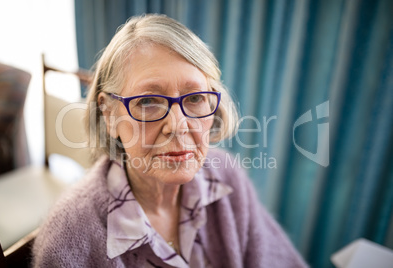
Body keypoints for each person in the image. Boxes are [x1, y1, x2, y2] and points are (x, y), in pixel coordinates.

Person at [32, 14, 307, 268]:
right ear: (109, 114)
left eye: (196, 98)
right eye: (148, 101)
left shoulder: (227, 175)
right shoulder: (69, 240)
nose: (178, 126)